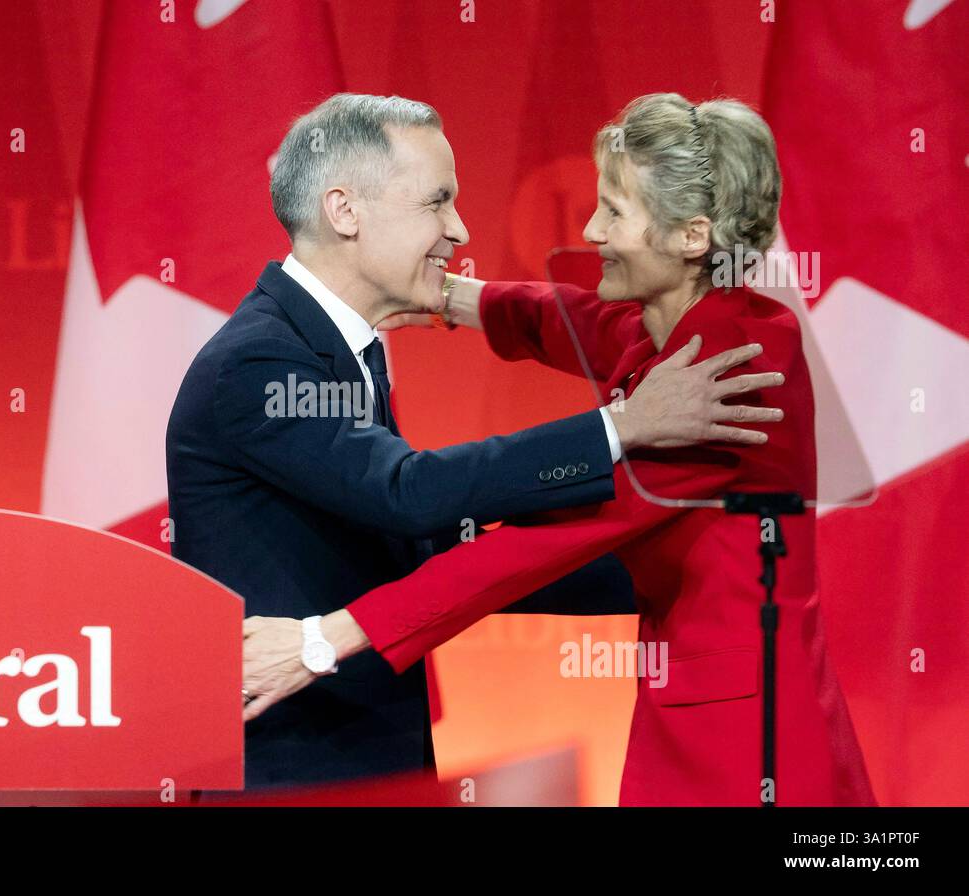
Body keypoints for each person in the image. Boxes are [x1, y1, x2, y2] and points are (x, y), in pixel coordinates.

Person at [242, 94, 875, 806]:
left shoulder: (725, 376)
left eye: (614, 211)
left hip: (751, 742)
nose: (591, 229)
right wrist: (440, 293)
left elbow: (540, 547)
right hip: (697, 701)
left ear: (692, 236)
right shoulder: (678, 325)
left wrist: (324, 640)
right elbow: (564, 317)